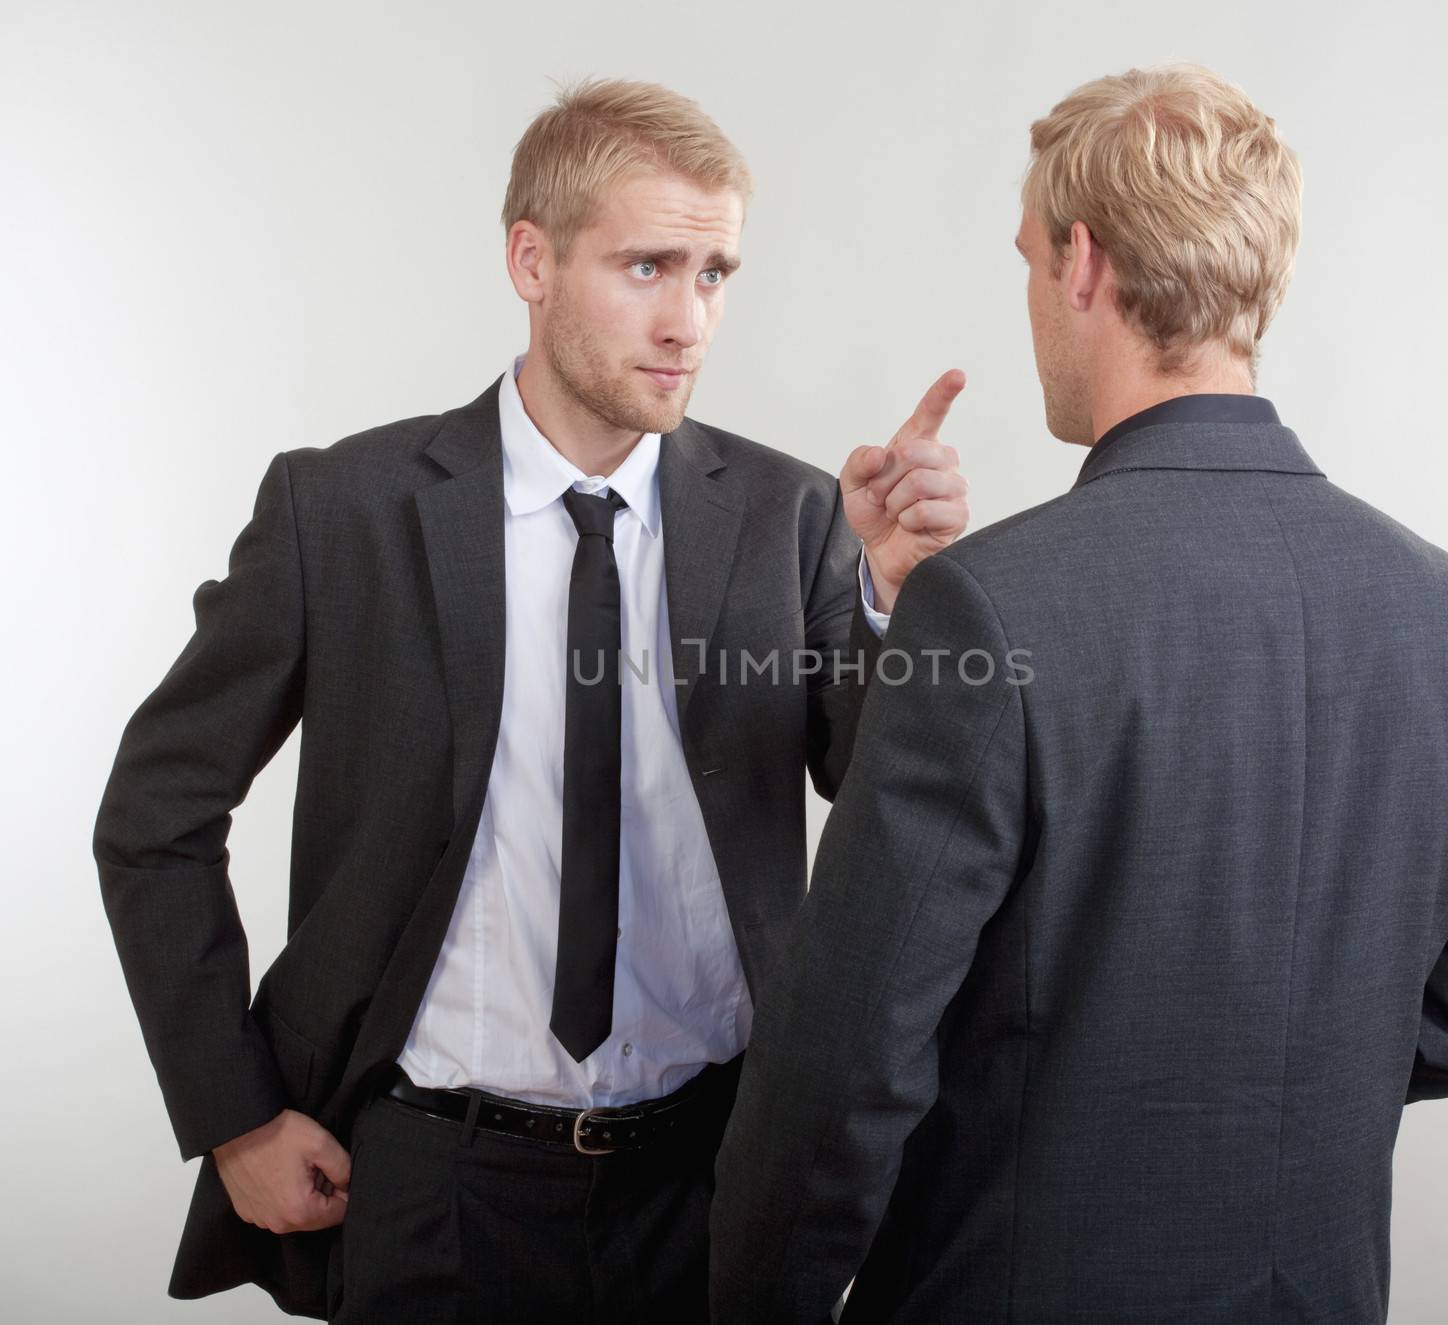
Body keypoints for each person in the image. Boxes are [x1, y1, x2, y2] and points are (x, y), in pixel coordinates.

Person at [92, 78, 969, 1322]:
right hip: (430, 1181)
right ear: (532, 259)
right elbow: (153, 812)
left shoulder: (790, 514)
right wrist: (231, 1113)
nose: (689, 320)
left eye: (716, 272)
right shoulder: (342, 510)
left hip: (714, 1175)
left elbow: (878, 792)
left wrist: (887, 598)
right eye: (649, 266)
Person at [708, 62, 1448, 1324]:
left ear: (1082, 263)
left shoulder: (988, 606)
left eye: (1030, 258)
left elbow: (843, 1072)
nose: (1035, 294)